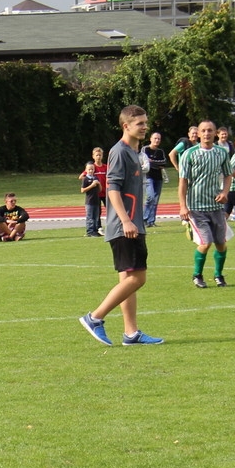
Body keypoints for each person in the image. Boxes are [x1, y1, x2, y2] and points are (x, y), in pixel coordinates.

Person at [79, 104, 163, 346]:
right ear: (126, 126)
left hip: (132, 224)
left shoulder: (136, 152)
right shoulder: (119, 151)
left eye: (146, 122)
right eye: (140, 123)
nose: (145, 127)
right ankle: (94, 317)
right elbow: (113, 189)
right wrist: (126, 220)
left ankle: (131, 333)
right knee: (138, 278)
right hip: (125, 226)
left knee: (128, 279)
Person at [177, 119, 233, 288]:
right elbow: (183, 181)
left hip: (216, 207)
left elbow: (228, 174)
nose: (207, 133)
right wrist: (182, 206)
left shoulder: (221, 153)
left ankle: (218, 275)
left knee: (221, 243)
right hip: (197, 208)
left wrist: (224, 192)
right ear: (198, 133)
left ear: (215, 133)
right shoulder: (189, 154)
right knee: (205, 243)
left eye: (210, 130)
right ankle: (197, 275)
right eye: (204, 130)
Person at [142, 131, 168, 227]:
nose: (157, 140)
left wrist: (153, 162)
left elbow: (164, 162)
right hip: (148, 177)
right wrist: (157, 163)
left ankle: (151, 221)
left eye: (159, 139)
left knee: (155, 199)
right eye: (155, 138)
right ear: (151, 139)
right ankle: (144, 218)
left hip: (158, 177)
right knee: (150, 197)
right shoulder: (145, 149)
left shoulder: (160, 151)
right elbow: (145, 162)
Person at [80, 160, 105, 236]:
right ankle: (90, 231)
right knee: (90, 217)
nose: (91, 171)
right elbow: (82, 190)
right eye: (89, 169)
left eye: (92, 169)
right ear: (86, 170)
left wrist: (99, 184)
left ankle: (95, 230)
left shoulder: (95, 178)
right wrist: (92, 185)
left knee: (96, 217)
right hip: (89, 201)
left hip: (96, 200)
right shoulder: (85, 179)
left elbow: (99, 189)